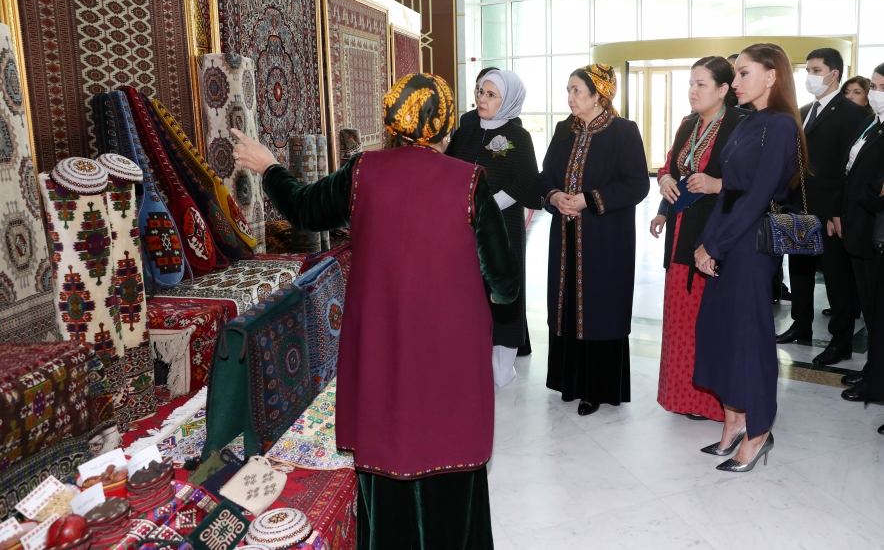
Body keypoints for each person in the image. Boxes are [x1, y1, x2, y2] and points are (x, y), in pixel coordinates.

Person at [230, 73, 518, 548]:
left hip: (384, 347)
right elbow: (505, 286)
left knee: (389, 446)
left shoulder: (363, 172)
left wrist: (269, 166)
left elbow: (304, 208)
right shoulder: (470, 182)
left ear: (392, 122)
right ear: (445, 126)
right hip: (450, 353)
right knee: (452, 448)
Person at [693, 43, 805, 472]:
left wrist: (716, 245)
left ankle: (758, 431)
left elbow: (758, 197)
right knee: (720, 332)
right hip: (728, 238)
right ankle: (733, 421)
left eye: (743, 73)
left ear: (771, 76)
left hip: (752, 248)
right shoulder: (747, 120)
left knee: (748, 340)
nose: (735, 81)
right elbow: (728, 190)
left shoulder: (780, 125)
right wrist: (706, 242)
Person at [541, 64, 649, 416]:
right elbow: (546, 176)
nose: (570, 97)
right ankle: (569, 381)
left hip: (606, 239)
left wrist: (589, 200)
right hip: (565, 238)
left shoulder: (623, 131)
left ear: (599, 94)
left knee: (600, 307)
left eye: (576, 90)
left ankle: (596, 388)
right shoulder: (565, 130)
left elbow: (637, 184)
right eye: (568, 90)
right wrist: (555, 196)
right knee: (566, 304)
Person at [653, 57, 745, 422]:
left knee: (710, 319)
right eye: (690, 83)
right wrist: (664, 184)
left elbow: (756, 180)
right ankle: (682, 396)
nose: (692, 91)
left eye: (701, 84)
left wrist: (718, 184)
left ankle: (714, 402)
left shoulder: (740, 124)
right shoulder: (688, 123)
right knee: (680, 316)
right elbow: (670, 166)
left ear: (723, 90)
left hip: (717, 233)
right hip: (681, 230)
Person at [775, 48, 871, 366]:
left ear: (834, 73)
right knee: (799, 268)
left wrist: (837, 211)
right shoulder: (803, 111)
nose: (810, 76)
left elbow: (850, 169)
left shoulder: (852, 114)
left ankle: (841, 340)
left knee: (836, 276)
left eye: (816, 70)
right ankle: (800, 323)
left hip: (830, 210)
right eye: (808, 70)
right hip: (799, 206)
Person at [447, 69, 542, 386]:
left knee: (502, 291)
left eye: (491, 95)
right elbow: (449, 171)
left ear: (507, 100)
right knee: (470, 290)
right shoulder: (465, 132)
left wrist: (488, 205)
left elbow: (526, 182)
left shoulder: (518, 137)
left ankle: (503, 364)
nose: (482, 99)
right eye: (480, 92)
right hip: (465, 228)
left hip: (502, 226)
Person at [838, 63, 884, 432]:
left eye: (882, 87)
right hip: (861, 226)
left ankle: (877, 380)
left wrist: (870, 196)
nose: (875, 93)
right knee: (872, 311)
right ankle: (873, 371)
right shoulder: (874, 123)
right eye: (875, 86)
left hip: (874, 228)